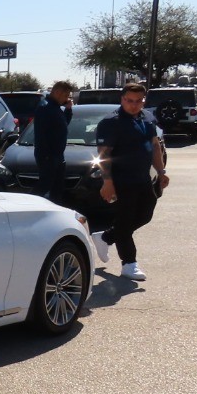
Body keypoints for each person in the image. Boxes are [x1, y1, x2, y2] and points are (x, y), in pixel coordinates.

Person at [92, 83, 169, 281]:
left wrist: (161, 172)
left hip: (142, 178)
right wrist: (107, 182)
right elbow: (103, 154)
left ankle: (106, 237)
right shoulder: (111, 122)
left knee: (145, 214)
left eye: (138, 101)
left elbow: (155, 146)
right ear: (122, 99)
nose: (134, 105)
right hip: (121, 179)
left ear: (144, 100)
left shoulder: (148, 118)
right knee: (125, 221)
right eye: (129, 101)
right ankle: (129, 264)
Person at [32, 80, 75, 204]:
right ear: (57, 92)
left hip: (58, 155)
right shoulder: (45, 107)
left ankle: (56, 210)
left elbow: (62, 125)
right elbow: (42, 135)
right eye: (66, 95)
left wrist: (68, 110)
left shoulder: (56, 108)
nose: (67, 98)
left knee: (57, 188)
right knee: (44, 185)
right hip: (48, 155)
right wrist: (47, 156)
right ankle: (28, 206)